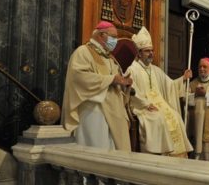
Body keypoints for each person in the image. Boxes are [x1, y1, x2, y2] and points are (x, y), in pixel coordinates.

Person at [61, 20, 133, 151]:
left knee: (112, 149)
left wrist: (124, 83)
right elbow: (78, 77)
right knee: (98, 149)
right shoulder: (83, 52)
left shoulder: (110, 58)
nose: (116, 41)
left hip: (113, 109)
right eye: (114, 37)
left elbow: (116, 81)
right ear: (101, 35)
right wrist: (112, 79)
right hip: (94, 109)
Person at [125, 27, 193, 157]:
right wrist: (145, 104)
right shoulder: (132, 69)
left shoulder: (155, 70)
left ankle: (177, 156)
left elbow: (170, 85)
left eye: (152, 51)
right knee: (159, 118)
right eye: (147, 51)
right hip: (143, 107)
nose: (151, 53)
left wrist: (183, 79)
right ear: (139, 53)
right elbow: (132, 91)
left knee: (176, 117)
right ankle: (160, 155)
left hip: (159, 104)